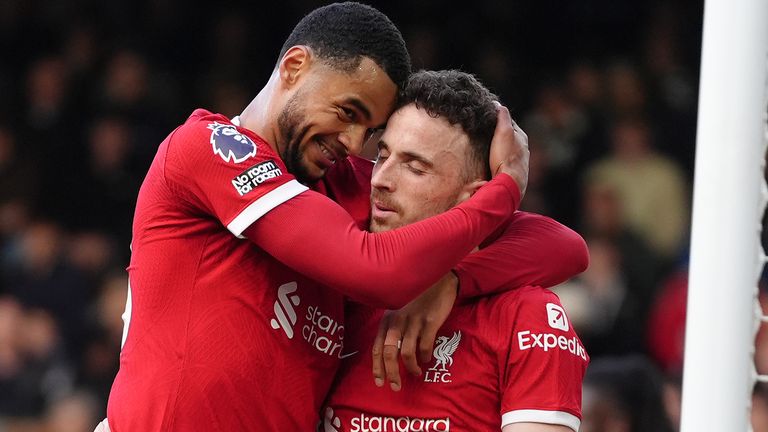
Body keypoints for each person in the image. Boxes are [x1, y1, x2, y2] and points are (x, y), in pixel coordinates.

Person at [103, 3, 581, 431]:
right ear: (294, 67)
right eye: (347, 112)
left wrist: (452, 280)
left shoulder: (342, 183)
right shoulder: (207, 148)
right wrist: (508, 185)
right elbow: (377, 272)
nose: (354, 143)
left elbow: (563, 247)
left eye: (369, 129)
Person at [323, 70, 589, 432]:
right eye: (381, 156)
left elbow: (570, 246)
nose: (381, 179)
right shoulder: (339, 282)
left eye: (415, 168)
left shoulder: (528, 316)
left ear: (476, 197)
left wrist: (448, 281)